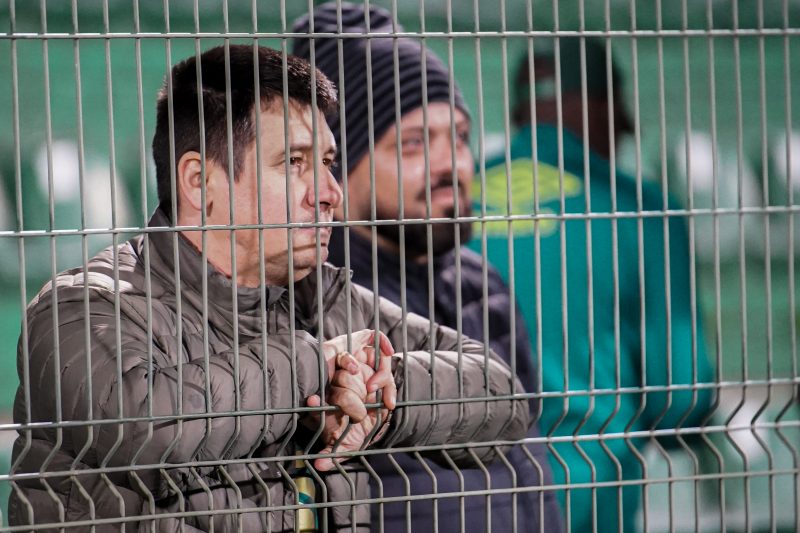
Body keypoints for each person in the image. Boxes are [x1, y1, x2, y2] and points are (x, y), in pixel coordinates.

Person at [8, 44, 532, 532]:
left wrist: (375, 390)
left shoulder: (318, 296)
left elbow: (501, 394)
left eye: (327, 163)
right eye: (294, 163)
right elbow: (149, 431)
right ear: (199, 181)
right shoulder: (80, 307)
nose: (329, 193)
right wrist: (317, 367)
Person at [292, 4, 563, 532]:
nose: (451, 165)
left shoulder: (483, 285)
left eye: (458, 137)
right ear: (339, 169)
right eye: (414, 144)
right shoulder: (308, 297)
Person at [472, 38, 714, 531]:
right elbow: (681, 397)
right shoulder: (639, 209)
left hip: (457, 487)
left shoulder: (443, 208)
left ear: (519, 113)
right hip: (588, 487)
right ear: (602, 107)